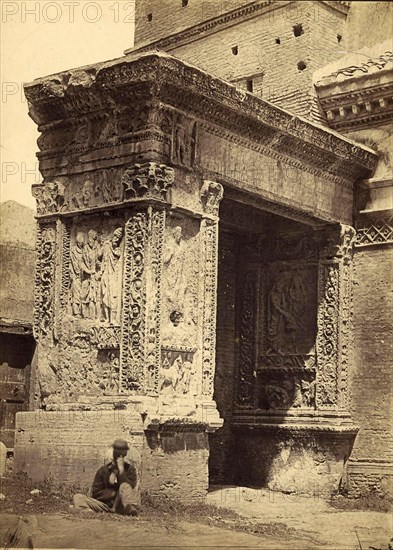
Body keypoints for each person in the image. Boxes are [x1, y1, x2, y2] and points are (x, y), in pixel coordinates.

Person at [72, 439, 139, 516]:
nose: (119, 457)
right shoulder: (103, 470)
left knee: (125, 486)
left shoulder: (130, 470)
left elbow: (131, 487)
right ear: (114, 453)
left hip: (122, 506)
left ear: (125, 454)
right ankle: (88, 511)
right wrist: (112, 494)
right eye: (117, 454)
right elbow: (96, 492)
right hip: (104, 505)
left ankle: (130, 511)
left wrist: (121, 472)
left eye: (122, 454)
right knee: (77, 497)